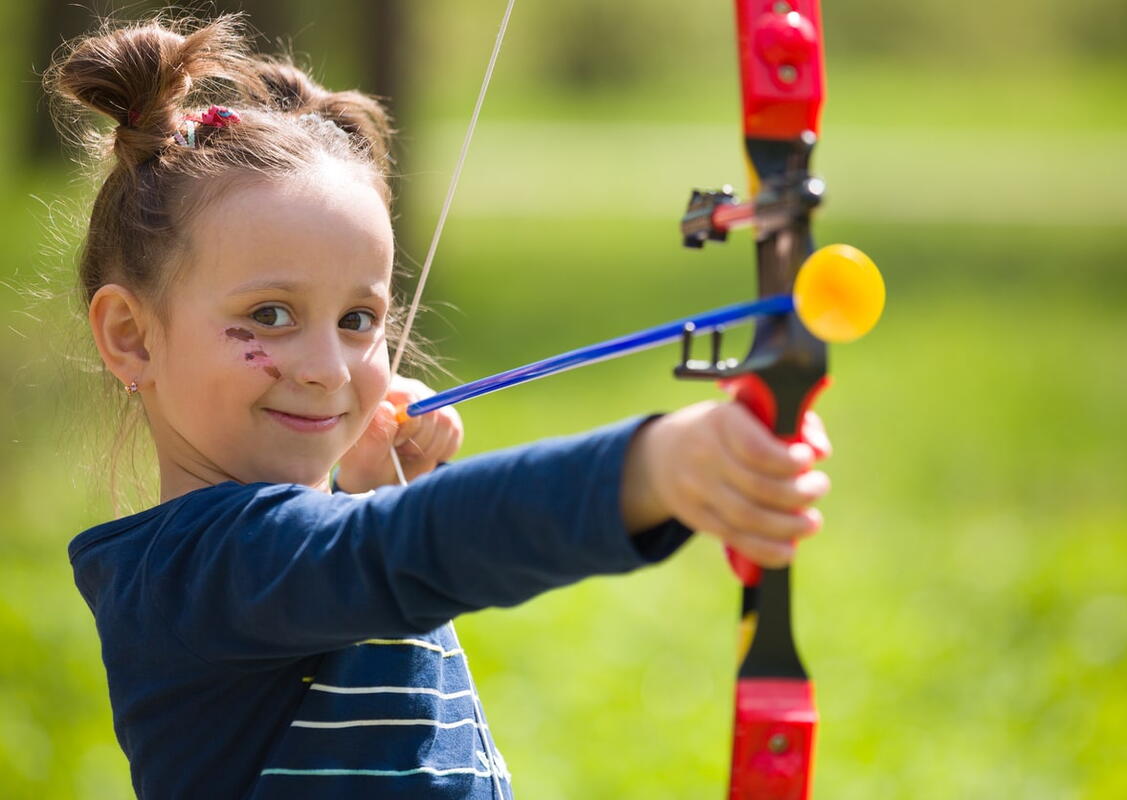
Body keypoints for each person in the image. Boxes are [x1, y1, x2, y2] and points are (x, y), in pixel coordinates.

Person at [45, 12, 832, 799]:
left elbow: (357, 556)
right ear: (132, 336)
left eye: (358, 321)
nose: (327, 370)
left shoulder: (306, 558)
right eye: (270, 316)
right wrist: (655, 468)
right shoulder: (191, 576)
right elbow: (403, 551)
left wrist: (363, 482)